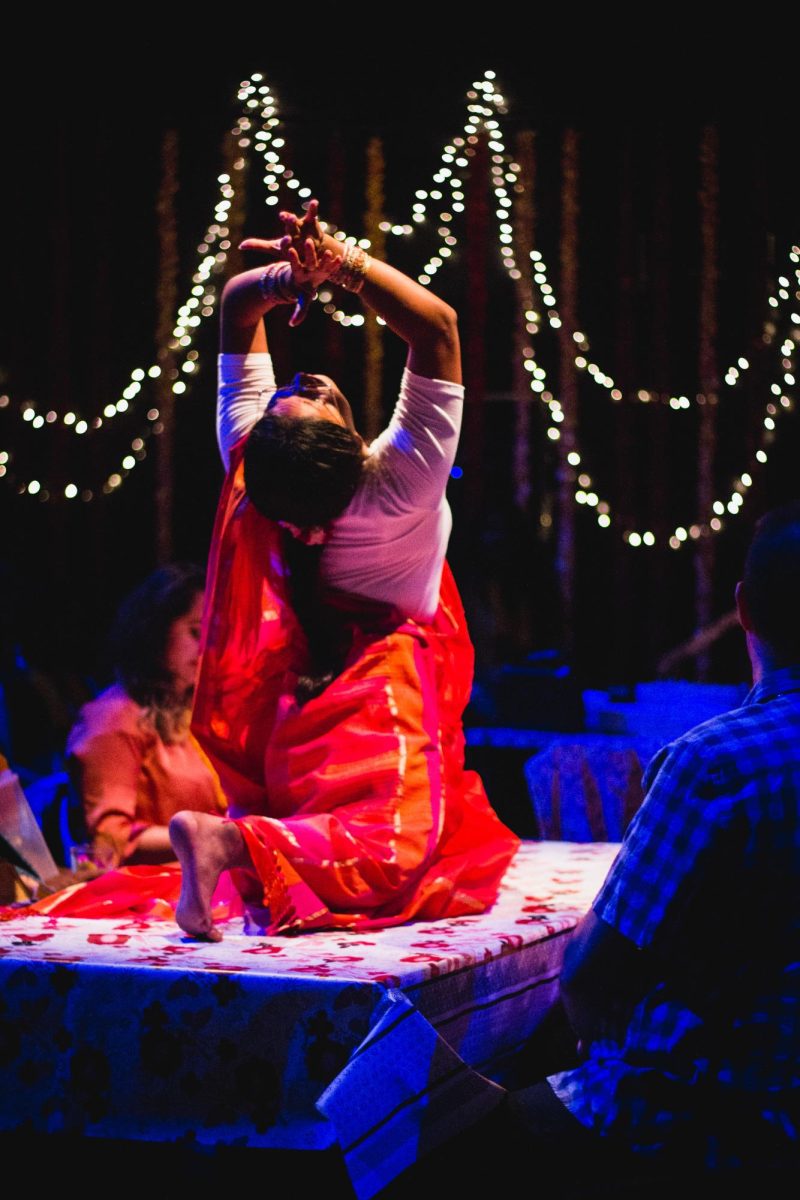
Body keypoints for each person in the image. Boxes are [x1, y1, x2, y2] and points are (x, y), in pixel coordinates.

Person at [170, 200, 519, 940]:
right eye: (313, 405)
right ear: (353, 461)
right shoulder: (399, 487)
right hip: (378, 685)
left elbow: (234, 308)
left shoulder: (253, 461)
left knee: (404, 846)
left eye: (291, 398)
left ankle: (246, 850)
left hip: (296, 686)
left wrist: (288, 278)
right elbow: (439, 328)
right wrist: (342, 265)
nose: (306, 384)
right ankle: (229, 842)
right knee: (398, 853)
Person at [502, 503, 800, 1180]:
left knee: (449, 1134)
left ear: (744, 611)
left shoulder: (717, 762)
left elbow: (589, 977)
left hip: (704, 1117)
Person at [67, 563, 226, 866]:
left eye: (213, 634)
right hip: (148, 893)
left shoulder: (195, 711)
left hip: (203, 881)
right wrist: (217, 835)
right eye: (195, 632)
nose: (207, 646)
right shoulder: (114, 718)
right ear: (155, 633)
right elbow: (110, 840)